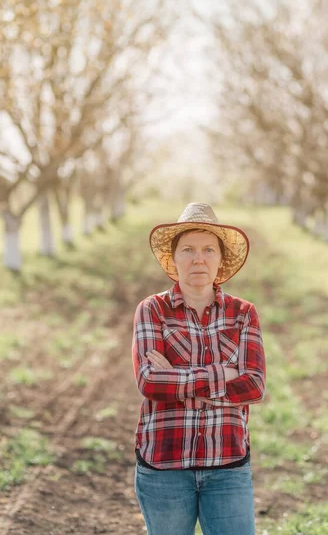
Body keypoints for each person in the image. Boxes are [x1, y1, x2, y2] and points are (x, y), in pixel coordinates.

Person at [132, 202, 266, 535]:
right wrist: (225, 375)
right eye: (188, 249)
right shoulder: (152, 310)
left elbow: (254, 386)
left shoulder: (243, 313)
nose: (198, 258)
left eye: (208, 250)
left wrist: (179, 380)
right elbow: (150, 382)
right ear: (173, 259)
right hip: (164, 464)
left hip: (227, 465)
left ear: (220, 260)